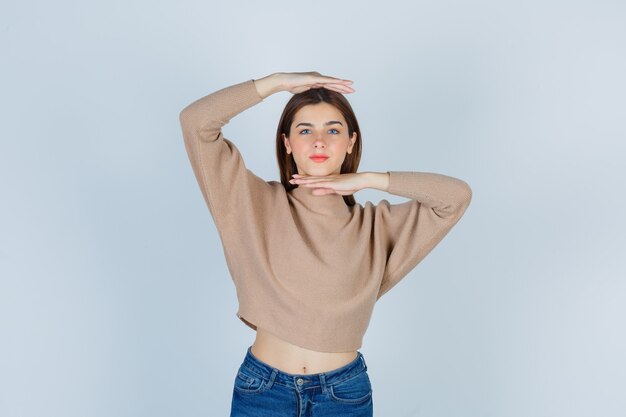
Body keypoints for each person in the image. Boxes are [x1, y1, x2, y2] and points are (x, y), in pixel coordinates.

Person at [178, 71, 473, 416]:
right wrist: (277, 83)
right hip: (263, 392)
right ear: (286, 142)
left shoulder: (375, 225)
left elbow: (456, 197)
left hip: (343, 395)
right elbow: (195, 121)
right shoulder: (251, 203)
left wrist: (370, 180)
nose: (319, 141)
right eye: (305, 130)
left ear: (350, 142)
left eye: (333, 130)